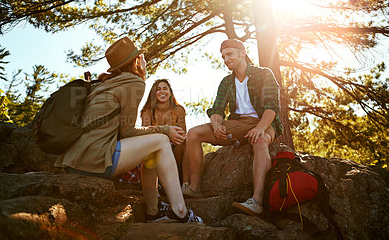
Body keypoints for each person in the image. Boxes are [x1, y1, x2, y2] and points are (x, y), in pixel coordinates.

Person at [54, 37, 202, 223]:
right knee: (162, 141)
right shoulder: (134, 82)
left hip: (76, 161)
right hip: (96, 159)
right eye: (143, 57)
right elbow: (128, 132)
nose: (145, 61)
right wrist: (165, 130)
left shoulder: (106, 82)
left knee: (152, 150)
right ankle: (181, 211)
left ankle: (153, 211)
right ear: (137, 60)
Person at [181, 39, 283, 216]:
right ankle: (195, 188)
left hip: (264, 122)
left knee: (259, 142)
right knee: (193, 133)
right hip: (237, 124)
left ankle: (256, 201)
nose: (225, 59)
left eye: (229, 54)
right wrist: (216, 124)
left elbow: (272, 107)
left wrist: (260, 128)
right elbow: (217, 109)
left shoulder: (264, 74)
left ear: (242, 53)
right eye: (223, 56)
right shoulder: (226, 81)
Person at [141, 79, 187, 183]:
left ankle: (186, 183)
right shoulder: (147, 111)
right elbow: (145, 132)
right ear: (154, 93)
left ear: (170, 93)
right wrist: (167, 132)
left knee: (185, 143)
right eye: (158, 89)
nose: (162, 92)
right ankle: (158, 182)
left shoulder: (178, 110)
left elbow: (183, 133)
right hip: (155, 148)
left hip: (175, 148)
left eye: (165, 89)